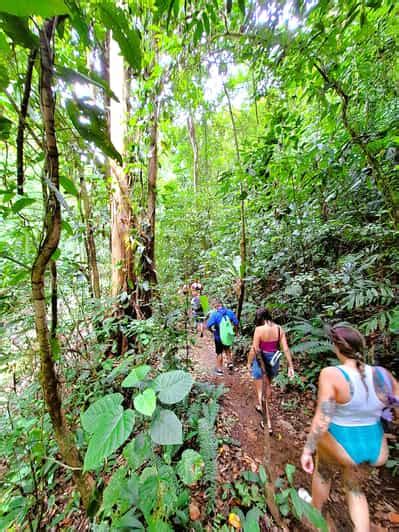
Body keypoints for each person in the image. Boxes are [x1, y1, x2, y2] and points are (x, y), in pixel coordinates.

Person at [300, 325, 399, 532]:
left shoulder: (332, 374)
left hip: (343, 445)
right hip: (375, 448)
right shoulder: (383, 375)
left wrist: (308, 449)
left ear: (337, 347)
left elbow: (322, 420)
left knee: (323, 471)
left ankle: (314, 514)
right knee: (355, 490)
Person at [247, 308, 295, 433]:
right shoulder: (279, 329)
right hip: (274, 361)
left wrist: (248, 362)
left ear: (260, 319)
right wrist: (290, 366)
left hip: (261, 360)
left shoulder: (259, 330)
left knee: (259, 390)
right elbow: (285, 348)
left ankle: (267, 422)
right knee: (267, 385)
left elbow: (254, 349)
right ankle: (262, 406)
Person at [206, 299, 239, 376]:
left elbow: (208, 325)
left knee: (219, 352)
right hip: (227, 335)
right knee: (227, 348)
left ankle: (219, 369)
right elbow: (236, 322)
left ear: (215, 306)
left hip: (218, 336)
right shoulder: (229, 312)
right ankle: (230, 363)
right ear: (222, 305)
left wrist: (212, 331)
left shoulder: (214, 314)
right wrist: (234, 331)